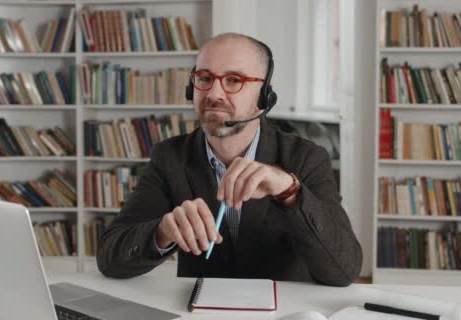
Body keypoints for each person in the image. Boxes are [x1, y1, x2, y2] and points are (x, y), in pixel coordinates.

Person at [97, 33, 362, 286]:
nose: (214, 94)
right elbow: (109, 258)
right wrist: (162, 232)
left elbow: (344, 270)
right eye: (204, 78)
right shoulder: (170, 157)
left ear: (264, 97)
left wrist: (290, 191)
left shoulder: (306, 158)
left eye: (234, 80)